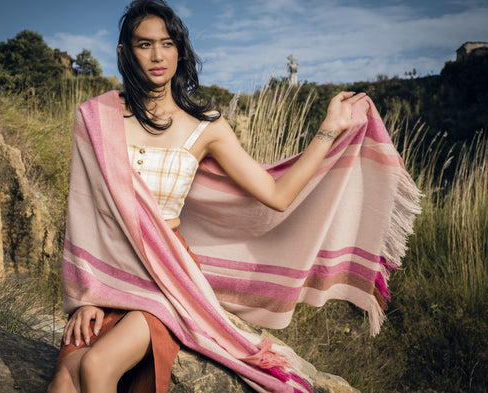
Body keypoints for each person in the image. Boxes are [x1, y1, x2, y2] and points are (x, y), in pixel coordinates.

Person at [47, 1, 394, 392]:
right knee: (65, 377)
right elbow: (84, 215)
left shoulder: (205, 127)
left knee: (96, 365)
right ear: (124, 52)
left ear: (180, 50)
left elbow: (277, 195)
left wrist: (329, 129)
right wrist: (86, 297)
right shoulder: (95, 117)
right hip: (109, 273)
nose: (158, 56)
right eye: (145, 45)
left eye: (167, 43)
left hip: (168, 276)